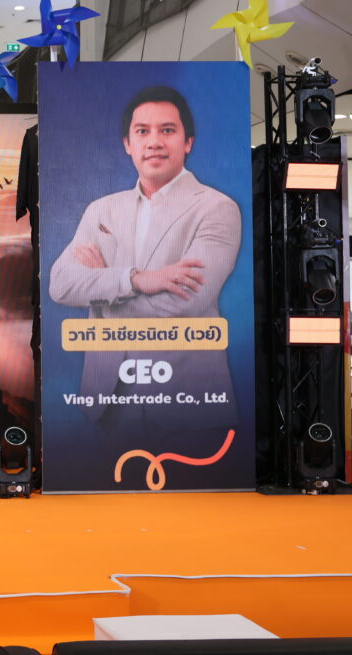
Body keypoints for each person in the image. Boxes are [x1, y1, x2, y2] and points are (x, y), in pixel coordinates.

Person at [48, 85, 241, 427]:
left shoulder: (216, 208)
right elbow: (60, 285)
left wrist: (102, 286)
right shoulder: (102, 210)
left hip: (189, 397)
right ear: (128, 144)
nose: (154, 142)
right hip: (109, 399)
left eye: (167, 130)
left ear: (188, 142)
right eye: (142, 131)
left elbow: (183, 305)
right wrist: (138, 280)